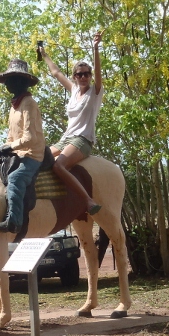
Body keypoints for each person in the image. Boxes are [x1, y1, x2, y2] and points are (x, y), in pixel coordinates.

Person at [38, 32, 104, 215]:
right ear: (75, 76)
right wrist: (44, 54)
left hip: (82, 140)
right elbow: (56, 72)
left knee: (58, 165)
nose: (83, 77)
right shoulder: (74, 90)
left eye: (86, 74)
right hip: (65, 139)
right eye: (79, 74)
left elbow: (99, 74)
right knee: (39, 157)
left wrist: (96, 48)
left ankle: (88, 201)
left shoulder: (95, 93)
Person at [0, 59, 46, 233]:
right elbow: (11, 135)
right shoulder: (14, 105)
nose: (8, 83)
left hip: (31, 154)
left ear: (23, 82)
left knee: (15, 179)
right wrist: (3, 147)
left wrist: (10, 147)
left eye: (13, 79)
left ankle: (14, 221)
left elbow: (30, 137)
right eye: (8, 79)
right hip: (18, 151)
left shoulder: (29, 103)